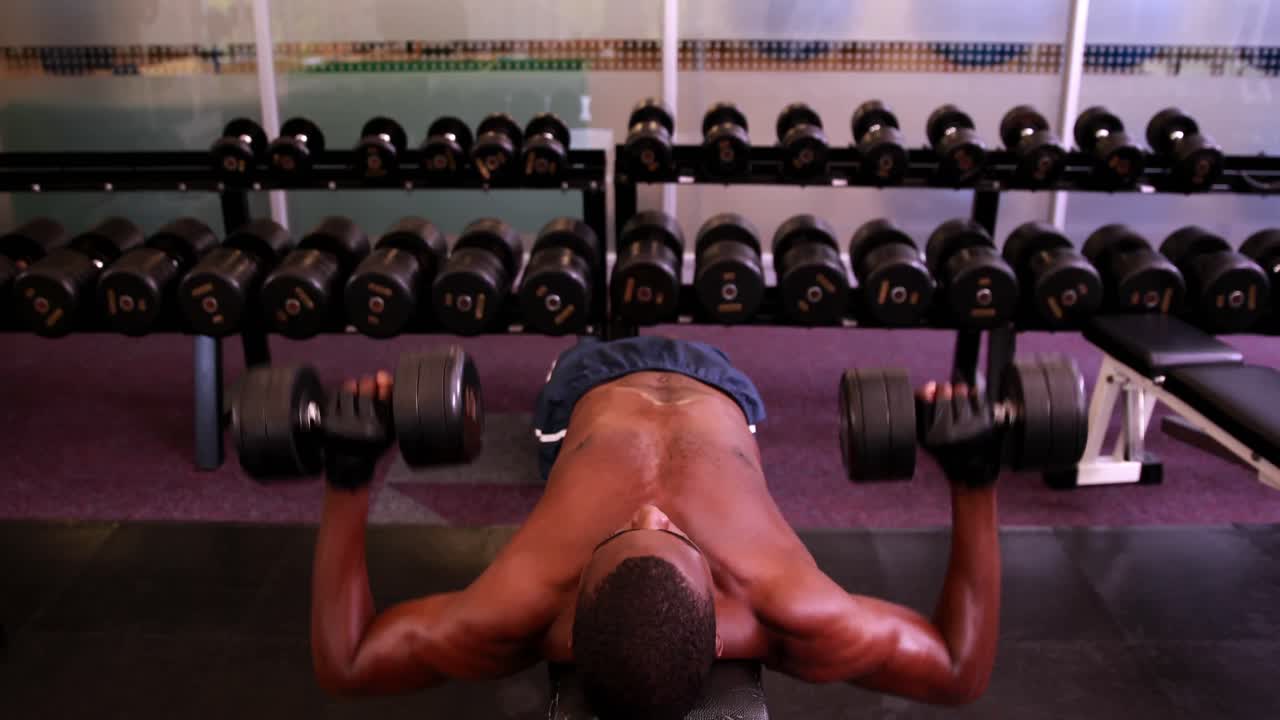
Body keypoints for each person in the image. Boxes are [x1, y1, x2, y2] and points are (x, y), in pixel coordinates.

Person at [311, 336, 1002, 719]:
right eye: (675, 534)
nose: (649, 509)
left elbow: (347, 665)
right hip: (721, 384)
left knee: (575, 353)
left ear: (574, 609)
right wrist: (975, 480)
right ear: (720, 618)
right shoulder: (792, 606)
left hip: (584, 384)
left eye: (622, 533)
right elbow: (956, 670)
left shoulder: (512, 608)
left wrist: (347, 476)